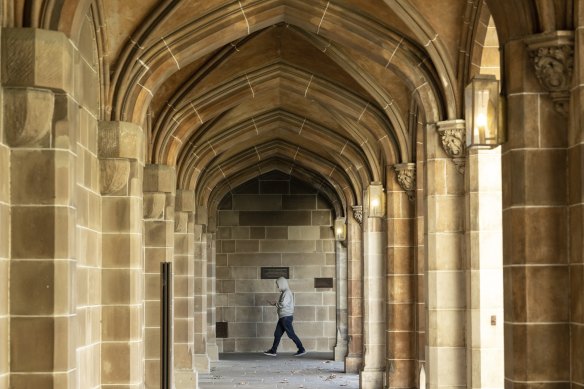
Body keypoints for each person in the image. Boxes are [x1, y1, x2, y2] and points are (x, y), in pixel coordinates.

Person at [263, 276, 307, 357]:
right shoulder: (285, 293)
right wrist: (276, 303)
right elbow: (283, 303)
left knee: (291, 334)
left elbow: (283, 304)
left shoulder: (287, 292)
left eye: (278, 285)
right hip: (283, 317)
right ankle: (273, 351)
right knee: (277, 334)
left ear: (282, 284)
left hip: (286, 317)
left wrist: (275, 303)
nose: (277, 287)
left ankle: (301, 349)